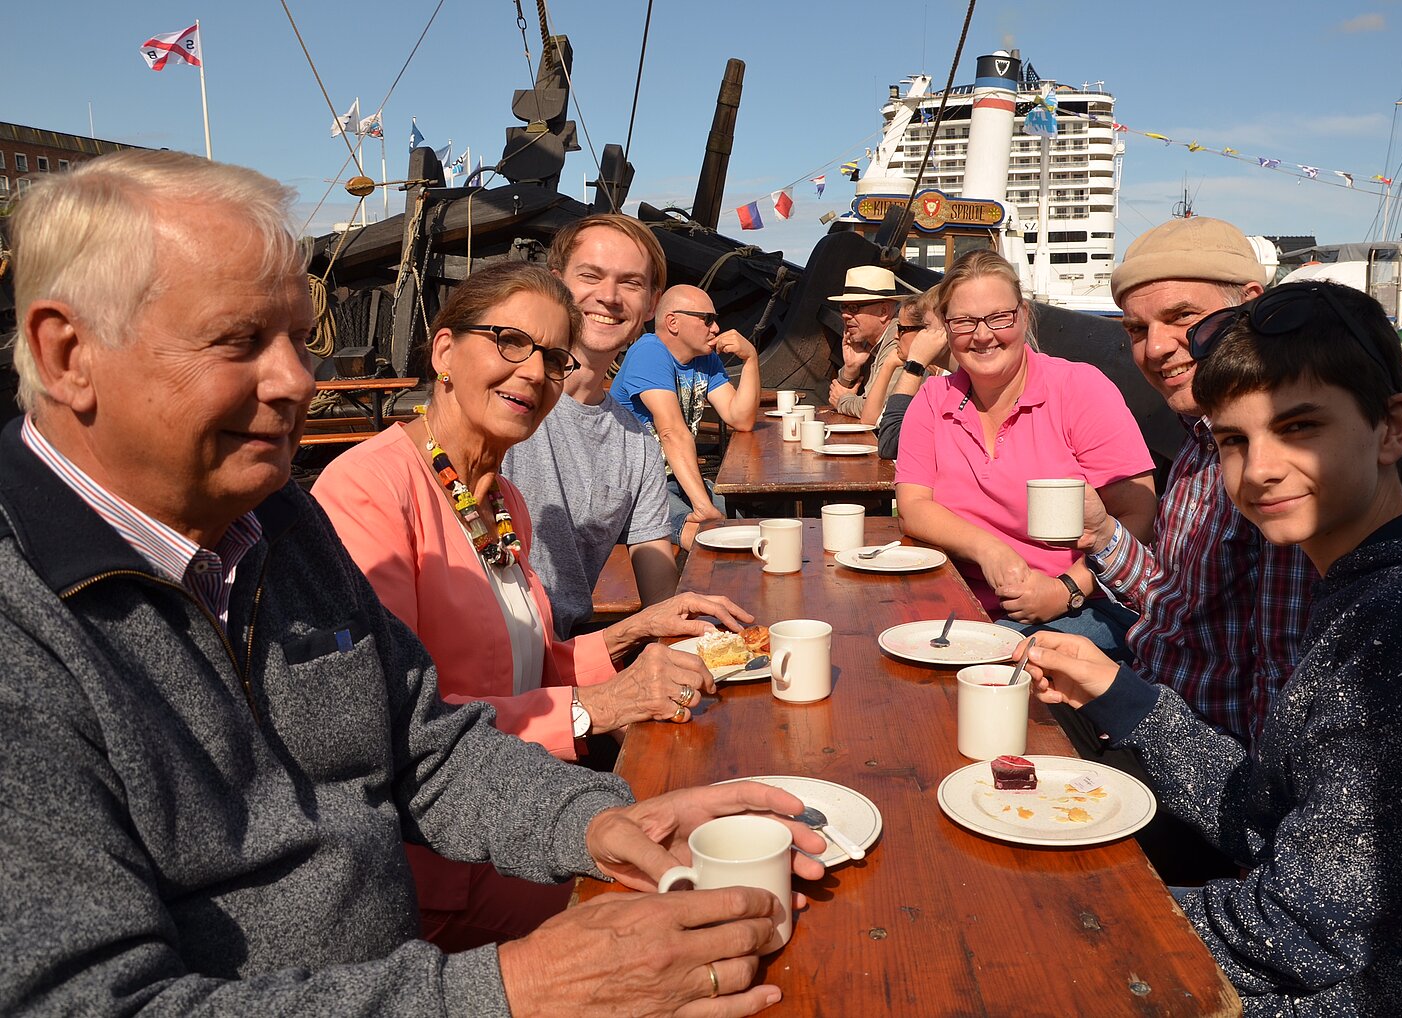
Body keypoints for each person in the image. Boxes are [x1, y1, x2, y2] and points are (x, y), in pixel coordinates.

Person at [0, 149, 825, 1016]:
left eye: (299, 339)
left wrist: (601, 820)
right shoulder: (27, 625)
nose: (298, 381)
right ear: (67, 354)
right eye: (241, 340)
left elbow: (422, 740)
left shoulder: (277, 522)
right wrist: (516, 989)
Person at [1023, 280, 1402, 1015]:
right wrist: (1127, 697)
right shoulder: (1386, 578)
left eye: (1298, 427)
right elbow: (1272, 814)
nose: (1259, 469)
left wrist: (1076, 926)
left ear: (1392, 429)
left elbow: (1303, 929)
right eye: (1235, 440)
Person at [312, 263, 759, 948]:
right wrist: (601, 707)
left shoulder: (499, 498)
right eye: (509, 341)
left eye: (553, 359)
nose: (534, 373)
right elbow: (398, 723)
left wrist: (636, 631)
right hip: (436, 864)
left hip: (523, 810)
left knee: (732, 852)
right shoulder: (368, 491)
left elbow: (528, 664)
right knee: (687, 923)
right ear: (443, 352)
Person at [1087, 217, 1316, 749]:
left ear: (1250, 305)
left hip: (1199, 762)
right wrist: (1101, 533)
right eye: (1137, 330)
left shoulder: (1276, 468)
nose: (1156, 348)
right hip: (1151, 714)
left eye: (1182, 317)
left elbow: (1280, 689)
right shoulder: (1199, 441)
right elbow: (1179, 605)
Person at [895, 250, 1157, 653]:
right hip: (958, 601)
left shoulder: (1079, 389)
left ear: (1024, 316)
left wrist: (1066, 589)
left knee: (989, 664)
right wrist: (988, 549)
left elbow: (1138, 512)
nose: (982, 335)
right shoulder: (933, 399)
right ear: (947, 327)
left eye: (999, 318)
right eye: (964, 321)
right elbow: (913, 505)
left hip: (1082, 606)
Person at [502, 214, 676, 640]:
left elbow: (659, 586)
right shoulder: (502, 399)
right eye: (591, 276)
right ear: (556, 284)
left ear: (652, 304)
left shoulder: (638, 445)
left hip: (564, 657)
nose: (609, 297)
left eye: (631, 283)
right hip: (482, 658)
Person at [610, 284, 761, 547]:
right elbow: (671, 432)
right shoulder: (649, 352)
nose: (715, 328)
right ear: (673, 322)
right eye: (707, 319)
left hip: (675, 479)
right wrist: (703, 506)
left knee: (747, 525)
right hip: (631, 485)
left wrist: (750, 359)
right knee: (706, 537)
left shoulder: (705, 359)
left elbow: (740, 418)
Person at [876, 291, 950, 460]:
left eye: (926, 326)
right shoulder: (938, 382)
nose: (895, 335)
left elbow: (890, 443)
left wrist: (914, 364)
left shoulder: (948, 384)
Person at [827, 265, 901, 417]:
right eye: (843, 307)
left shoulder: (899, 341)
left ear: (884, 311)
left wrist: (843, 400)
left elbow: (879, 409)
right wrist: (850, 370)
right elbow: (834, 396)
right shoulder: (867, 341)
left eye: (854, 308)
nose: (845, 315)